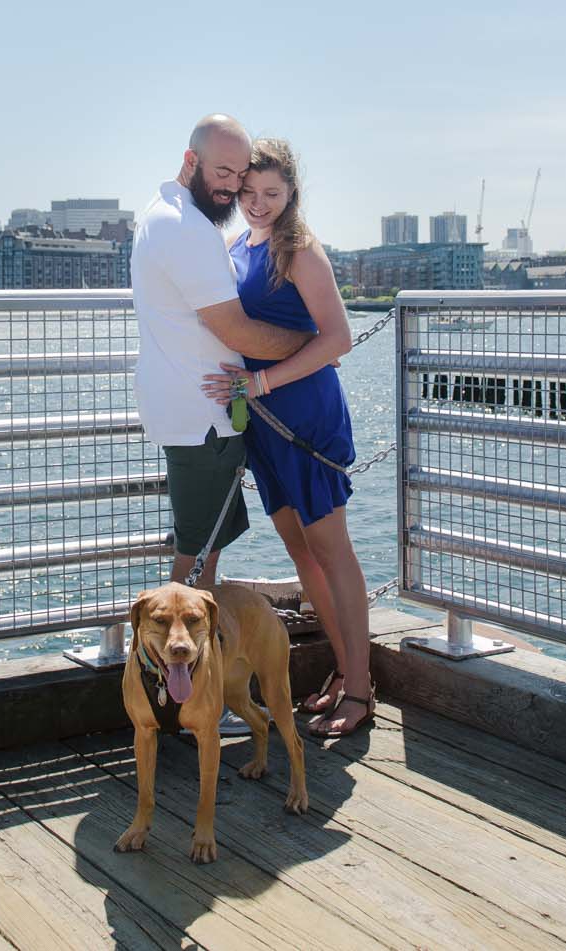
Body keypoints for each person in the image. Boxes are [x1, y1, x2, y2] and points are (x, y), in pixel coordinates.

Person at [202, 138, 373, 737]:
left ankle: (360, 689)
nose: (258, 204)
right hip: (265, 423)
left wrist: (264, 378)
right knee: (302, 554)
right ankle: (347, 672)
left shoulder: (298, 250)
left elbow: (338, 338)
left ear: (292, 193)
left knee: (333, 551)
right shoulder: (236, 246)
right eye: (249, 192)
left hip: (305, 417)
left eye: (272, 194)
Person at [131, 114, 311, 590]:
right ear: (192, 161)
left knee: (203, 553)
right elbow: (237, 331)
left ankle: (197, 661)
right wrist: (309, 342)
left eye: (240, 174)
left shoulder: (164, 213)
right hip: (202, 422)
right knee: (195, 561)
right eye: (222, 173)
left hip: (198, 414)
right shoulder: (184, 227)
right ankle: (179, 665)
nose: (232, 188)